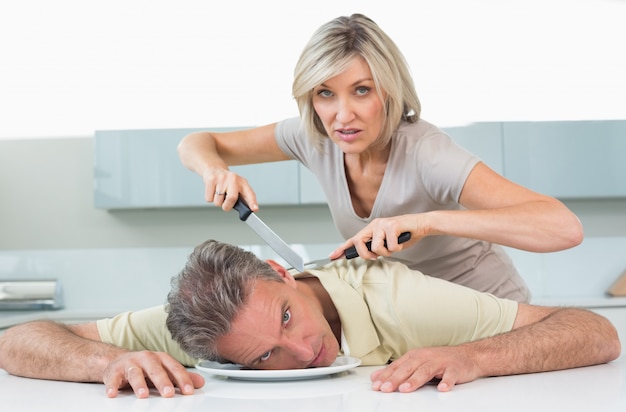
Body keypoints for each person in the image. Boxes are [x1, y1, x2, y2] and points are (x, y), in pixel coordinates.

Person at [176, 13, 583, 303]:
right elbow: (196, 142)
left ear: (388, 90)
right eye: (325, 93)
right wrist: (216, 169)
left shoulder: (427, 154)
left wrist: (426, 222)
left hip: (491, 310)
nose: (343, 114)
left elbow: (563, 228)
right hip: (416, 315)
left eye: (362, 90)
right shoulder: (313, 138)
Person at [0, 239, 620, 399]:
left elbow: (597, 330)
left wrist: (474, 357)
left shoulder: (400, 300)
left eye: (289, 316)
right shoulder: (203, 328)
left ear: (281, 271)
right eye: (264, 356)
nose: (301, 351)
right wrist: (108, 360)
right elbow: (15, 340)